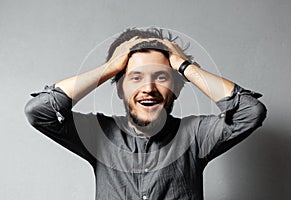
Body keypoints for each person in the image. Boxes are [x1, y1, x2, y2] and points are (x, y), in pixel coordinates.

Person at [25, 27, 267, 200]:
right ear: (119, 89)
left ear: (176, 89)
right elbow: (40, 111)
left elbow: (250, 112)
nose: (148, 89)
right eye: (135, 77)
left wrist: (184, 66)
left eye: (161, 77)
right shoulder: (98, 135)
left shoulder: (196, 135)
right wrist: (110, 68)